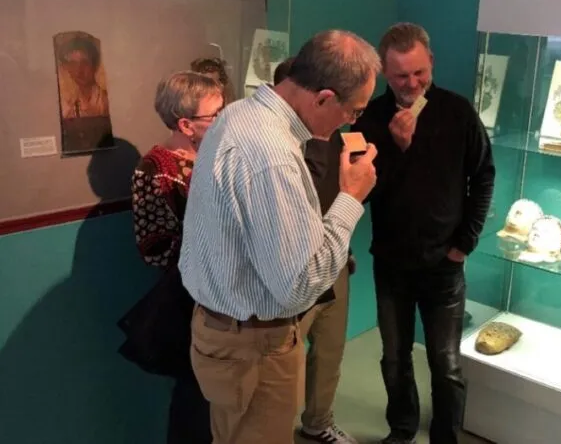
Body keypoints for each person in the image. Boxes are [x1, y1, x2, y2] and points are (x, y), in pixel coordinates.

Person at [178, 30, 381, 444]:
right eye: (353, 111)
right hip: (253, 345)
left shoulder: (239, 114)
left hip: (229, 332)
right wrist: (350, 198)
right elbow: (298, 288)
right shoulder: (272, 155)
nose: (351, 122)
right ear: (323, 98)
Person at [352, 22, 496, 444]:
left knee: (446, 364)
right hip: (392, 262)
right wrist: (397, 149)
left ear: (430, 61)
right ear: (383, 72)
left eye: (420, 72)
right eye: (401, 76)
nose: (412, 83)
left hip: (445, 264)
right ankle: (402, 430)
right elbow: (358, 193)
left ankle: (446, 438)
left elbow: (483, 176)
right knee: (394, 359)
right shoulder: (370, 118)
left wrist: (464, 243)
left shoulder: (457, 111)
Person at [125, 71, 225, 444]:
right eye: (214, 114)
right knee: (195, 399)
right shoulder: (153, 169)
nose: (223, 118)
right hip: (188, 300)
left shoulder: (215, 154)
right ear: (185, 123)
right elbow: (155, 248)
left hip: (224, 293)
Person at [271, 56, 358, 444]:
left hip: (335, 260)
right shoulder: (279, 147)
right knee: (285, 360)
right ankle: (275, 431)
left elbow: (344, 195)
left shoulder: (339, 133)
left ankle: (318, 421)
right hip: (295, 270)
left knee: (330, 349)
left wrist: (343, 248)